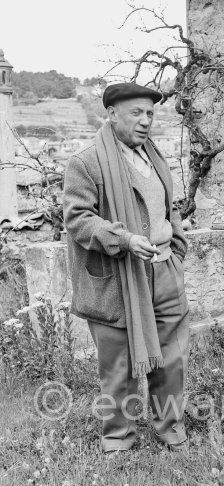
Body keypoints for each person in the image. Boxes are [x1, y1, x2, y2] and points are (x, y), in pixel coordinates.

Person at [63, 83, 189, 454]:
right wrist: (125, 240)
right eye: (137, 113)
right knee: (117, 365)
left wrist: (177, 246)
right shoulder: (86, 162)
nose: (146, 121)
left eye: (150, 113)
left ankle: (171, 430)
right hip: (118, 278)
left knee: (173, 359)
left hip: (165, 271)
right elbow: (78, 219)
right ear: (112, 113)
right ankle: (117, 440)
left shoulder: (154, 157)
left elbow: (167, 206)